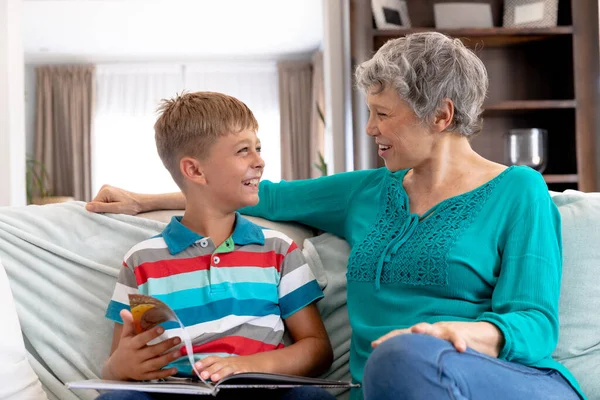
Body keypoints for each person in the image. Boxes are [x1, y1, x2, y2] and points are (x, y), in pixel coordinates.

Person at [87, 33, 586, 400]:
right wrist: (141, 200)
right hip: (385, 386)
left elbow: (535, 324)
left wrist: (457, 334)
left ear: (441, 115)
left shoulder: (519, 190)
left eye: (382, 113)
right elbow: (264, 195)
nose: (370, 128)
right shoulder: (366, 192)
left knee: (402, 356)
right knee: (389, 365)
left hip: (492, 379)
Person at [98, 92, 334, 400]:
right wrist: (118, 368)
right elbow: (116, 364)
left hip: (261, 390)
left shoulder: (278, 250)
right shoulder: (141, 260)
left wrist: (245, 365)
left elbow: (317, 349)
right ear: (195, 170)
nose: (259, 161)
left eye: (258, 148)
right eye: (243, 151)